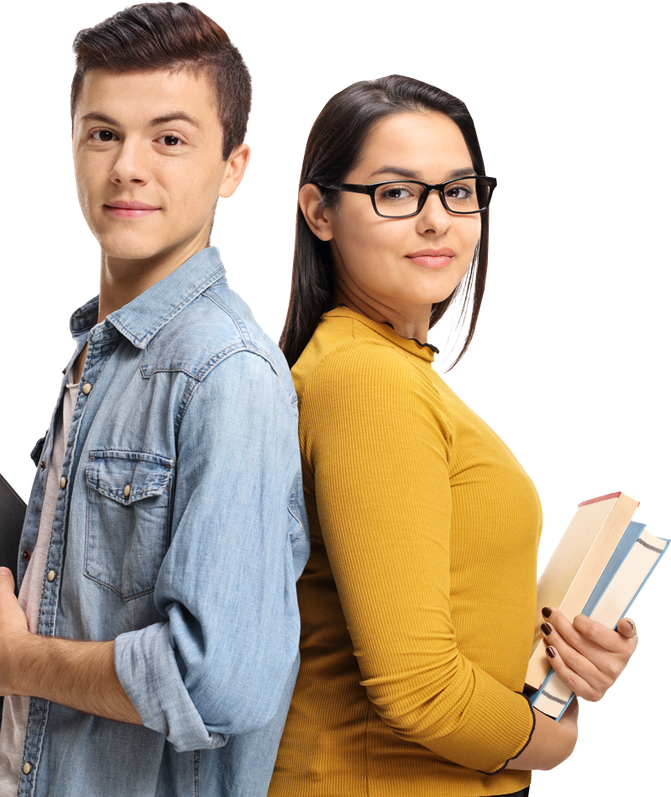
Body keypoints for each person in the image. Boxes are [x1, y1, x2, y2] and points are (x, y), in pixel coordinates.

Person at [0, 4, 309, 796]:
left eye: (169, 139)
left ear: (235, 167)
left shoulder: (227, 374)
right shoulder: (98, 352)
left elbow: (222, 680)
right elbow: (77, 601)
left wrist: (14, 660)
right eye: (103, 134)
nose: (128, 166)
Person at [267, 74, 640, 797]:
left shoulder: (393, 372)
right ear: (319, 210)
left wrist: (564, 651)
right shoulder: (369, 381)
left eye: (459, 191)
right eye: (398, 193)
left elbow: (445, 602)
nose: (437, 220)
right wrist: (551, 742)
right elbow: (417, 688)